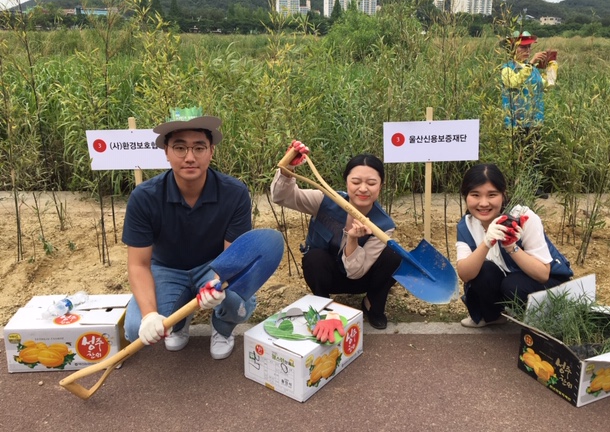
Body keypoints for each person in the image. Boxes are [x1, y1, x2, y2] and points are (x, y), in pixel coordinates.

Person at [122, 107, 254, 359]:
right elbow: (138, 264)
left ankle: (223, 328)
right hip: (167, 269)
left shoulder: (234, 193)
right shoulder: (145, 197)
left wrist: (217, 284)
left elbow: (232, 258)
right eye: (180, 148)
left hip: (214, 266)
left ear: (211, 151)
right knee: (133, 327)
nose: (190, 157)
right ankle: (179, 324)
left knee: (239, 304)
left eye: (199, 147)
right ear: (166, 153)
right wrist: (150, 315)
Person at [271, 141, 401, 329]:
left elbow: (355, 273)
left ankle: (372, 304)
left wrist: (353, 240)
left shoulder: (383, 225)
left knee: (394, 254)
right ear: (346, 181)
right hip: (326, 276)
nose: (363, 189)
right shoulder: (324, 200)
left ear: (381, 185)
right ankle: (322, 307)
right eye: (356, 182)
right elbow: (281, 197)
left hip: (360, 278)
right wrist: (287, 168)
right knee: (314, 258)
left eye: (371, 183)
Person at [455, 163, 573, 328]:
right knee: (483, 272)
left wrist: (511, 246)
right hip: (510, 279)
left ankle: (547, 321)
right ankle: (492, 316)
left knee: (513, 285)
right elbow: (465, 274)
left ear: (503, 195)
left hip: (547, 282)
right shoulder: (466, 225)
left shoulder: (523, 217)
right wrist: (486, 243)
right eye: (475, 195)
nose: (483, 203)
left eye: (492, 195)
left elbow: (543, 274)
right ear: (465, 196)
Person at [500, 31, 558, 199]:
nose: (527, 51)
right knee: (517, 156)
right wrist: (531, 63)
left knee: (534, 155)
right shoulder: (507, 69)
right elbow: (514, 82)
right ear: (512, 50)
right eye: (523, 48)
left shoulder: (532, 70)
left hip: (534, 119)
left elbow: (546, 86)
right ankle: (514, 188)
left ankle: (534, 188)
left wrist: (552, 68)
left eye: (529, 48)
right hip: (515, 121)